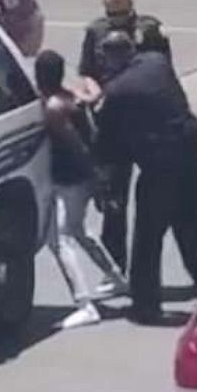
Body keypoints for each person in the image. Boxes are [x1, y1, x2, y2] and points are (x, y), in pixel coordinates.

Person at [95, 32, 197, 323]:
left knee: (148, 237)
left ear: (112, 58)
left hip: (161, 165)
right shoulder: (157, 62)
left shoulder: (117, 91)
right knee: (194, 224)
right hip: (192, 153)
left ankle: (145, 304)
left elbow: (107, 145)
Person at [79, 0, 173, 273]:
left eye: (120, 13)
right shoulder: (96, 31)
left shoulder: (149, 30)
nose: (116, 20)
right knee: (114, 200)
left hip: (147, 124)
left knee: (158, 197)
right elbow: (86, 71)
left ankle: (149, 270)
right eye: (111, 13)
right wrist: (94, 93)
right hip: (112, 123)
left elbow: (164, 70)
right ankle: (116, 266)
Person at [35, 50, 129, 329]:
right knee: (78, 231)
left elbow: (75, 144)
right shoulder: (71, 96)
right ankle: (117, 279)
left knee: (60, 239)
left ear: (40, 76)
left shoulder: (53, 107)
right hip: (83, 178)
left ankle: (85, 304)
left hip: (71, 179)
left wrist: (96, 178)